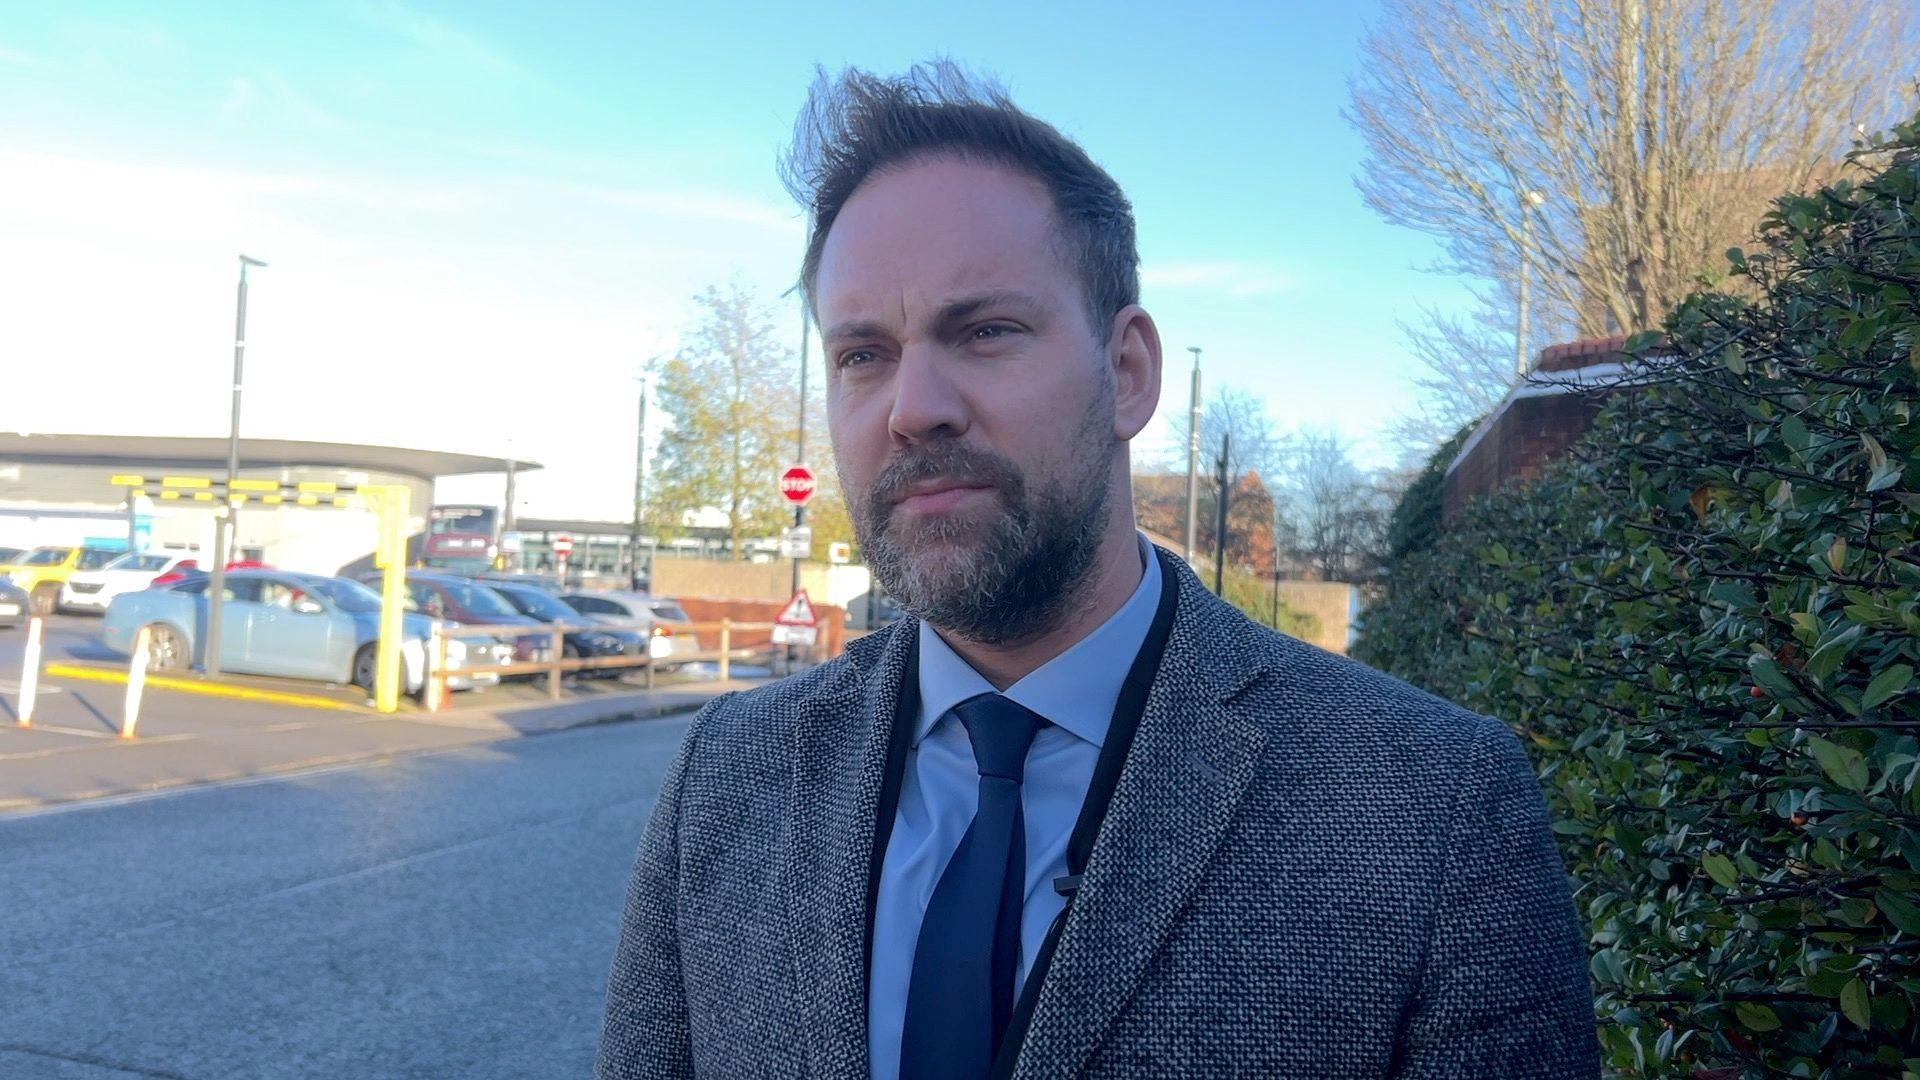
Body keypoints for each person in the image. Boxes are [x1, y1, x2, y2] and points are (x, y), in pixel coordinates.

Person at [598, 63, 1598, 1079]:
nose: (912, 406)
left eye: (984, 331)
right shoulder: (729, 771)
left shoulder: (1432, 808)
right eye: (863, 353)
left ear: (1127, 374)